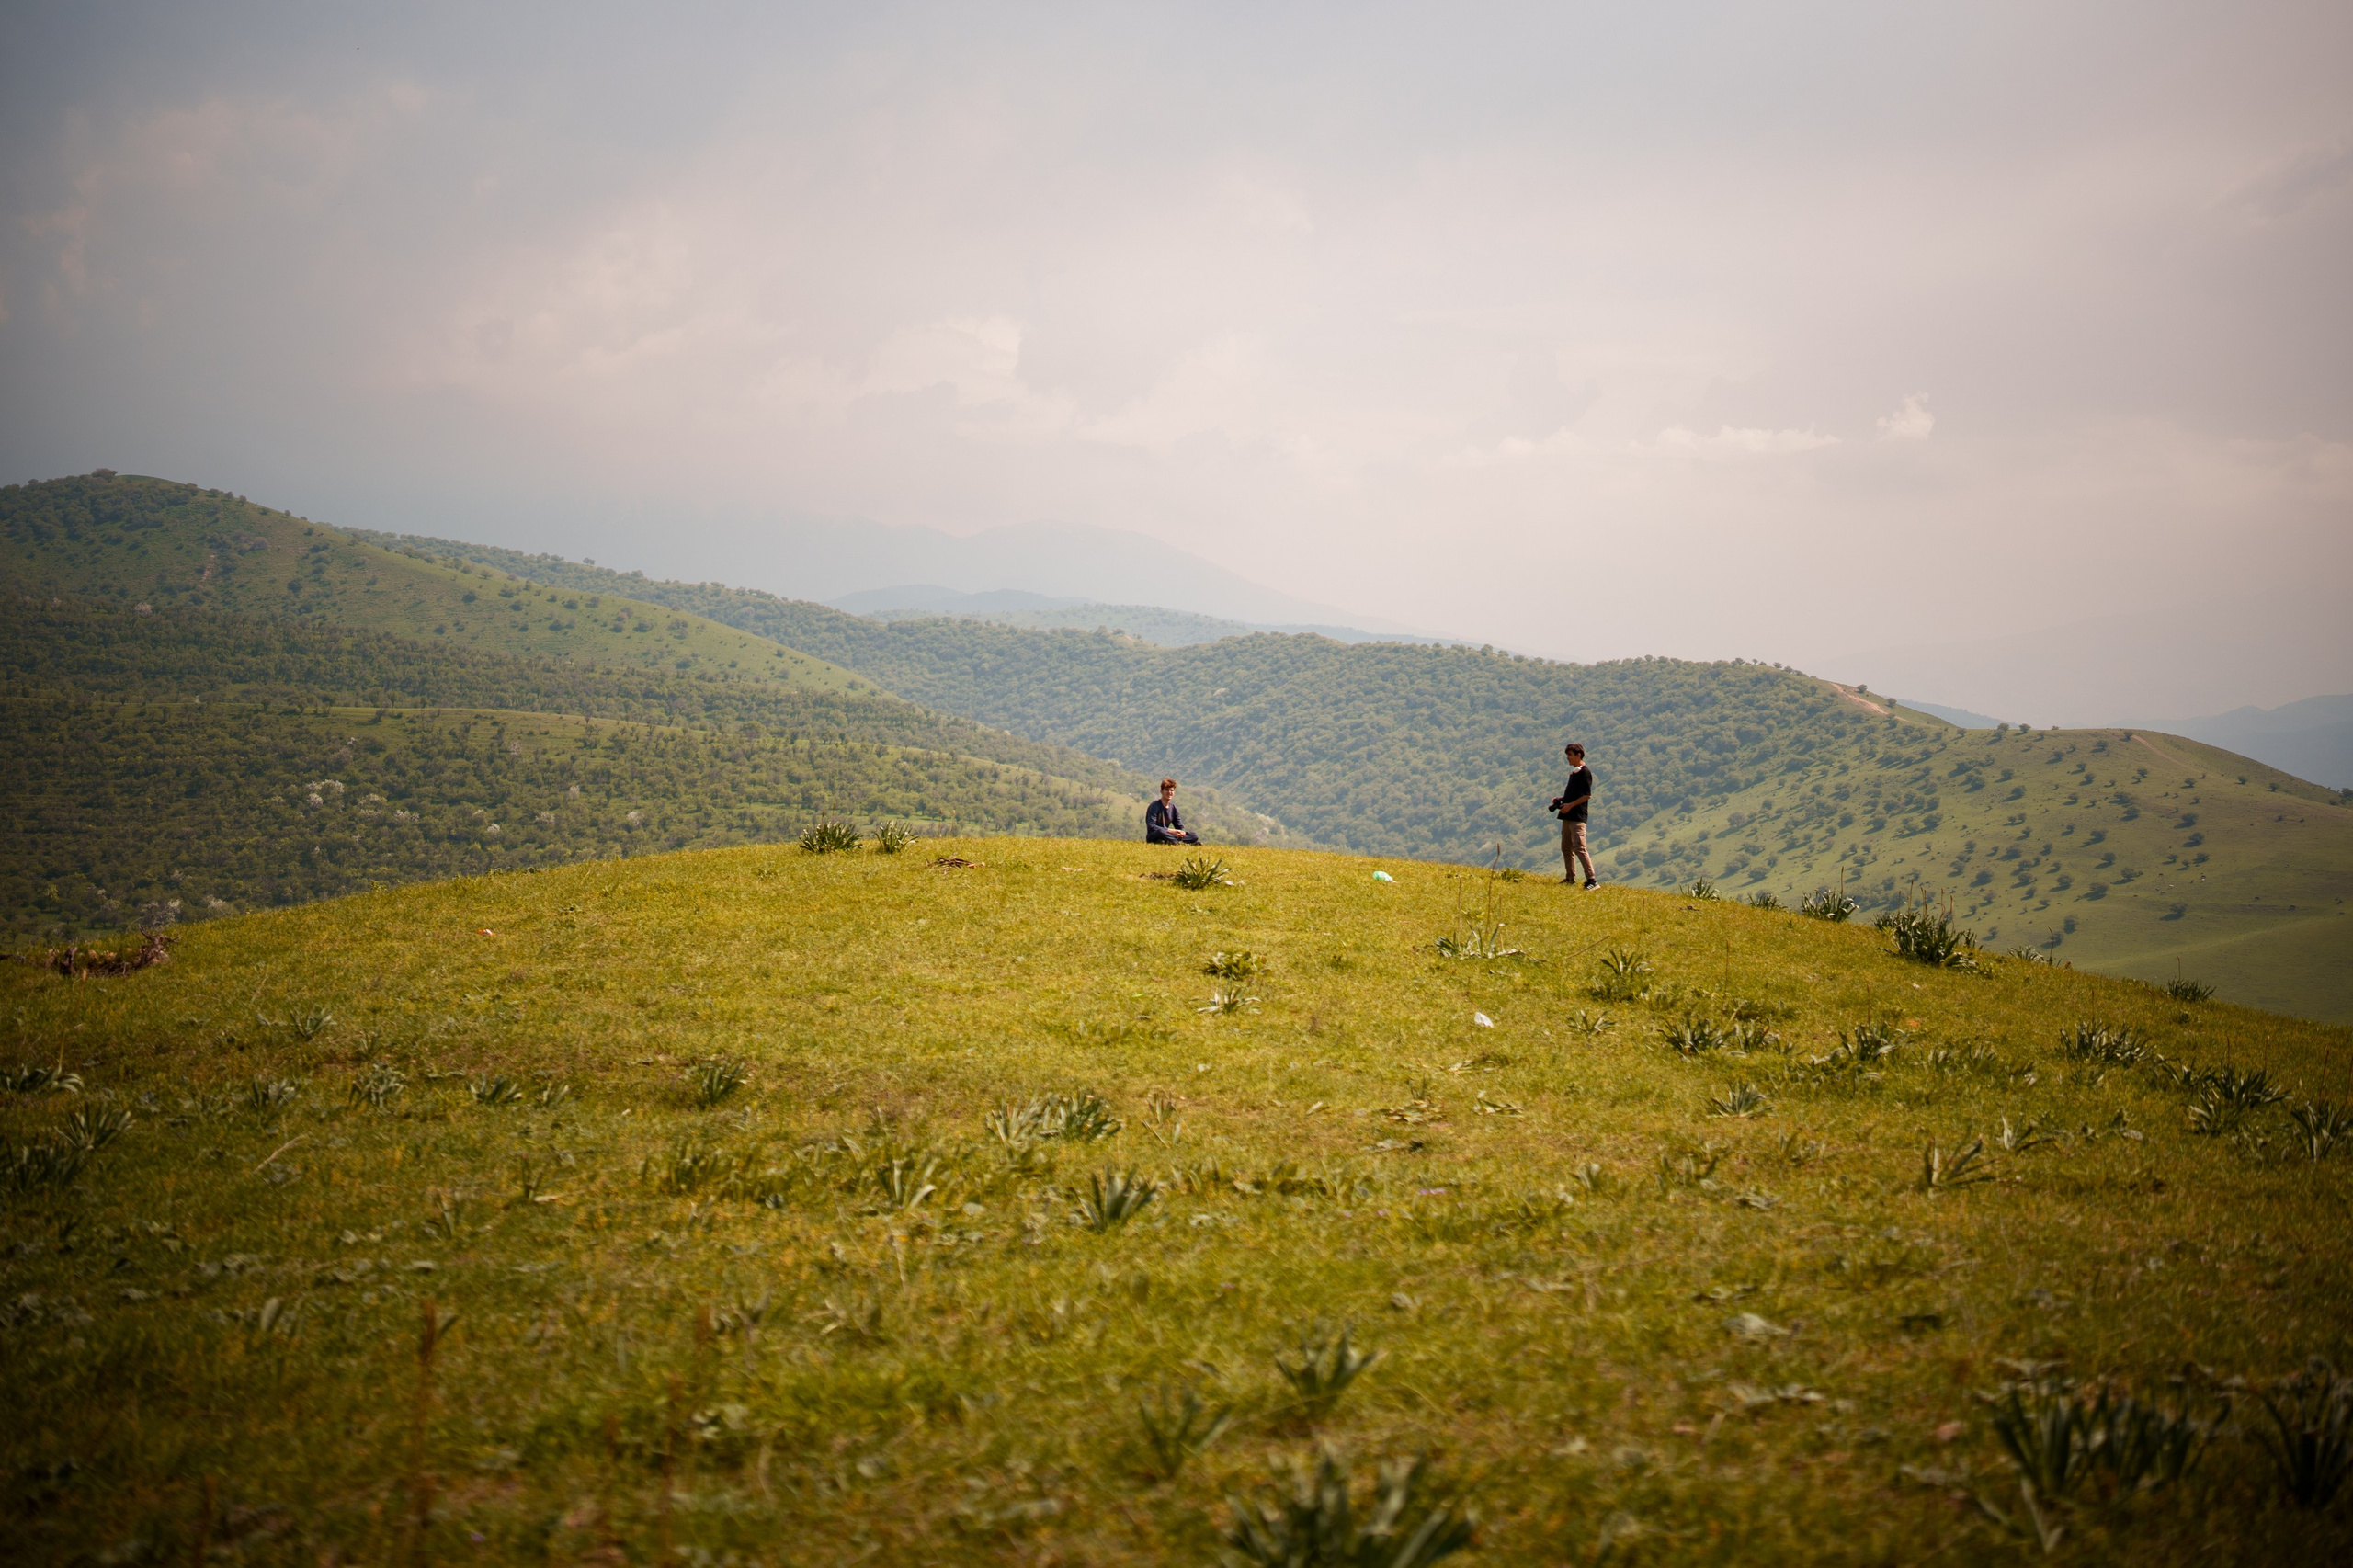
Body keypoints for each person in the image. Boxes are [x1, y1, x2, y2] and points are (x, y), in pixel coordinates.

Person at [1552, 743, 1597, 888]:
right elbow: (1573, 794)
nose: (1568, 758)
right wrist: (1561, 800)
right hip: (1568, 816)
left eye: (1570, 755)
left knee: (1579, 848)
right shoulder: (1575, 773)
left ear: (1579, 755)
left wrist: (1570, 805)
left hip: (1577, 817)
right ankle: (1570, 878)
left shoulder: (1585, 773)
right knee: (1566, 848)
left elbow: (1586, 796)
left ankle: (1592, 880)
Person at [1145, 778, 1201, 845]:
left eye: (1171, 790)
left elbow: (1179, 826)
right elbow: (1151, 826)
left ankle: (1171, 842)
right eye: (1167, 790)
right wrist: (1170, 831)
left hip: (1169, 835)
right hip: (1155, 835)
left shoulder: (1173, 808)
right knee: (1161, 832)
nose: (1169, 792)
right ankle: (1179, 843)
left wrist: (1182, 832)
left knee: (1194, 835)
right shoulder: (1154, 806)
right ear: (1161, 791)